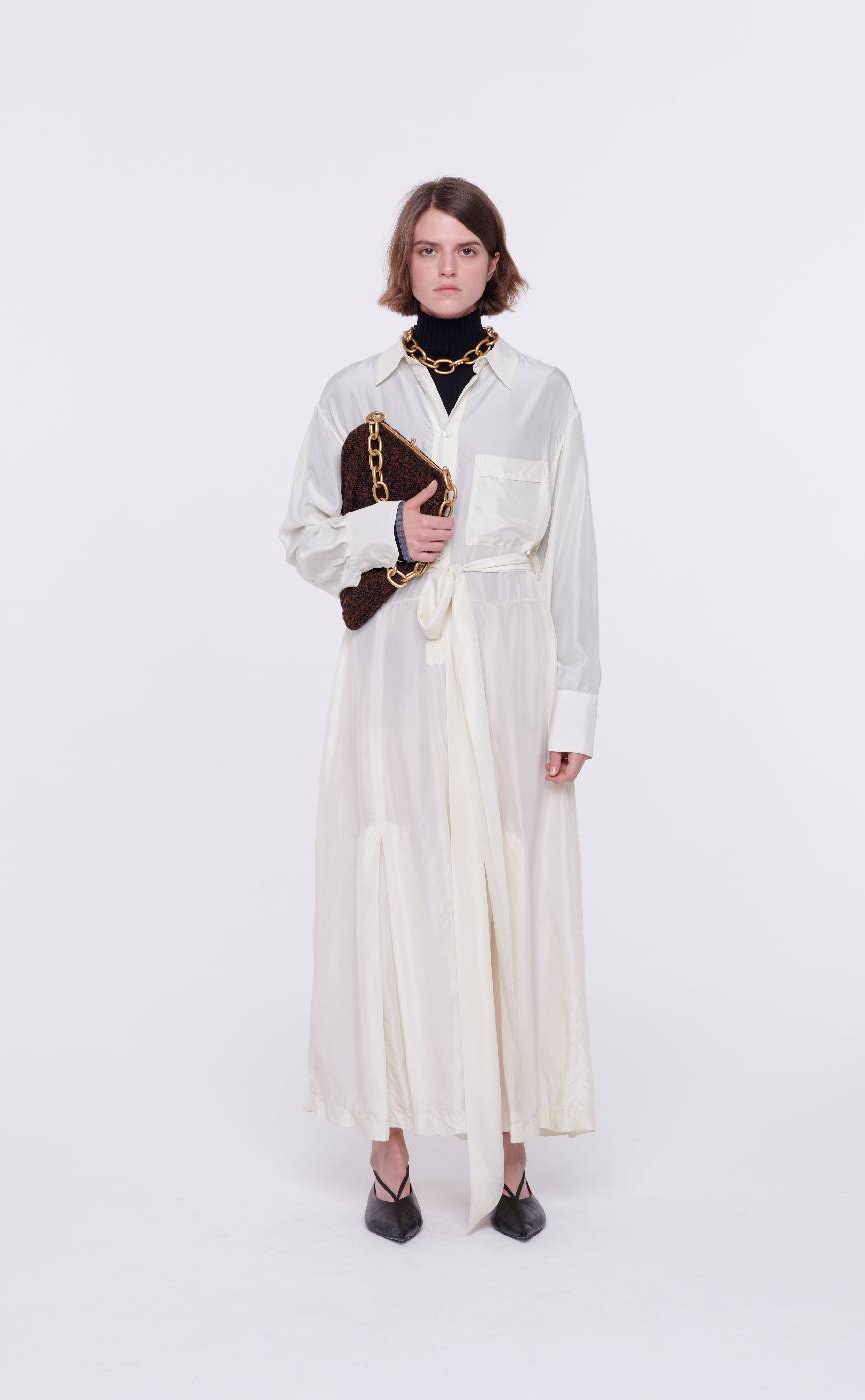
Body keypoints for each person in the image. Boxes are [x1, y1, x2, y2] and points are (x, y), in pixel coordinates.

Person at [278, 176, 601, 1243]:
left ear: (494, 264)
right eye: (428, 249)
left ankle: (510, 1154)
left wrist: (574, 708)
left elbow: (571, 558)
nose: (447, 267)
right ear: (404, 263)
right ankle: (390, 1155)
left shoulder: (543, 394)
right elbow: (303, 538)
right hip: (393, 669)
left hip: (509, 668)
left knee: (508, 882)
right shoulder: (352, 391)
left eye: (466, 249)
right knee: (389, 879)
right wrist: (385, 534)